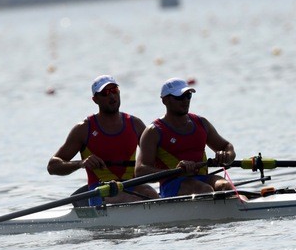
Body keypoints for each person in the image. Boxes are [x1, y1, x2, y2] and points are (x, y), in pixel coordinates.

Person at [47, 75, 159, 204]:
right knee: (136, 198)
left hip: (131, 187)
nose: (111, 96)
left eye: (114, 90)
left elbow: (157, 159)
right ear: (95, 100)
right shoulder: (83, 129)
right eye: (105, 93)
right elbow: (52, 166)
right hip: (100, 191)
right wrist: (80, 163)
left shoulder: (135, 124)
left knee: (150, 192)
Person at [136, 77, 236, 197]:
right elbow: (140, 171)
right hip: (173, 184)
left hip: (203, 179)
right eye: (179, 97)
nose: (185, 100)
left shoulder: (201, 123)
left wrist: (226, 156)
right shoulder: (153, 131)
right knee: (205, 190)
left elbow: (227, 146)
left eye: (188, 96)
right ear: (165, 100)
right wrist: (175, 172)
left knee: (225, 186)